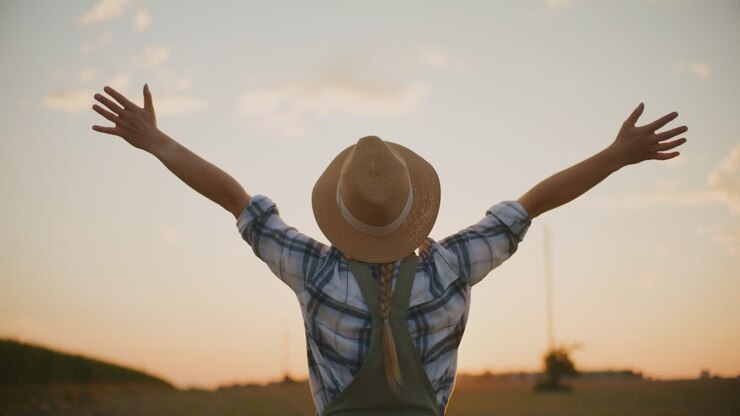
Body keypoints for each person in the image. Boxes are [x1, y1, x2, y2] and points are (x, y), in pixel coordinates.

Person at [91, 84, 688, 415]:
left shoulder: (314, 272)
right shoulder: (451, 267)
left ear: (341, 212)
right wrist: (617, 155)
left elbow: (235, 199)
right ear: (412, 209)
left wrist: (157, 141)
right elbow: (534, 203)